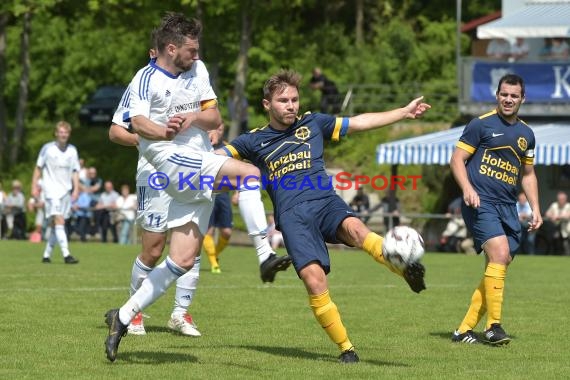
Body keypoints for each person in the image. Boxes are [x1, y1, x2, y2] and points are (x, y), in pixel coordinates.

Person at [104, 13, 291, 361]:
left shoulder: (198, 70)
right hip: (169, 163)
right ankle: (264, 254)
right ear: (171, 48)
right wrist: (164, 133)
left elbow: (214, 116)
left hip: (198, 159)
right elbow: (136, 122)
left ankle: (124, 315)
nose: (196, 53)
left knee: (182, 259)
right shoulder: (145, 80)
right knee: (249, 174)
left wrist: (192, 119)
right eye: (191, 49)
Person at [218, 69, 429, 363]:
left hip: (326, 202)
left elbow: (358, 122)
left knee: (358, 230)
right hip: (292, 217)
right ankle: (347, 349)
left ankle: (404, 267)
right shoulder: (252, 141)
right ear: (267, 105)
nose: (291, 105)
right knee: (314, 281)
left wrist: (402, 112)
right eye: (283, 100)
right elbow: (215, 160)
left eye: (294, 99)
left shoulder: (313, 122)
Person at [449, 73, 542, 345]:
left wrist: (536, 208)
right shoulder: (480, 125)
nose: (509, 99)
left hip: (508, 207)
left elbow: (528, 174)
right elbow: (457, 160)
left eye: (514, 95)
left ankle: (463, 330)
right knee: (500, 254)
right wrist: (467, 188)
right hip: (481, 202)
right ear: (497, 95)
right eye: (504, 94)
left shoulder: (527, 134)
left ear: (522, 98)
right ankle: (494, 327)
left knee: (498, 264)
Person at [32, 121, 80, 264]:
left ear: (69, 134)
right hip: (51, 190)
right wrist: (34, 186)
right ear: (56, 133)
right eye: (61, 132)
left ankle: (46, 255)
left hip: (65, 191)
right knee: (59, 220)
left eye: (66, 132)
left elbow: (75, 171)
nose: (63, 135)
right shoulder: (47, 149)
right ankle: (67, 255)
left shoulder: (72, 150)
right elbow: (38, 168)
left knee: (57, 224)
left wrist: (76, 189)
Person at [544, 190, 570, 255]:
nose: (561, 200)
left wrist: (558, 217)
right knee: (554, 241)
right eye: (559, 199)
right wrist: (551, 216)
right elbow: (547, 214)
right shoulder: (554, 205)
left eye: (562, 199)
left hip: (567, 229)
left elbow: (567, 216)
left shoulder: (569, 206)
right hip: (555, 228)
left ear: (565, 199)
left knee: (566, 244)